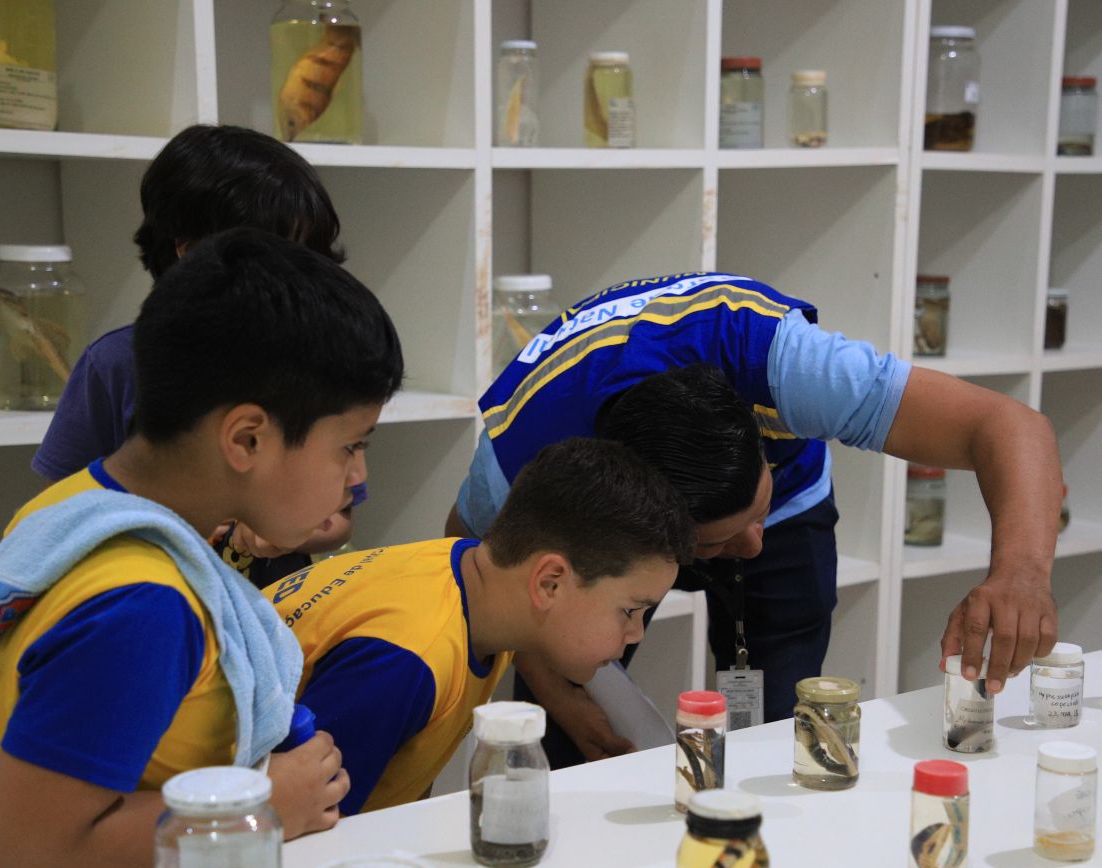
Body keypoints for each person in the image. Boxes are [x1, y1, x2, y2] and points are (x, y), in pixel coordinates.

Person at [448, 271, 1062, 764]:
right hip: (602, 499)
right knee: (568, 730)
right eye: (713, 545)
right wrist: (557, 692)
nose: (751, 546)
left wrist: (1022, 573)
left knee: (782, 727)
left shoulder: (782, 362)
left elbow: (1010, 425)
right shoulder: (522, 454)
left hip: (796, 495)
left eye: (754, 512)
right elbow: (481, 578)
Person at [0, 229, 403, 868]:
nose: (358, 475)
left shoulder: (76, 504)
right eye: (350, 446)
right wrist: (265, 805)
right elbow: (37, 841)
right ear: (247, 438)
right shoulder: (144, 601)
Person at [267, 437, 693, 814]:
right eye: (630, 611)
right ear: (549, 583)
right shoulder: (406, 660)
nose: (637, 633)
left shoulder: (474, 575)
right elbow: (311, 836)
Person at [32, 123, 355, 584]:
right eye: (273, 255)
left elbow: (340, 518)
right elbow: (61, 506)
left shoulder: (316, 366)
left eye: (308, 257)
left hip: (276, 615)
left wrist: (286, 529)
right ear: (191, 253)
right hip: (148, 606)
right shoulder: (118, 364)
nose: (296, 276)